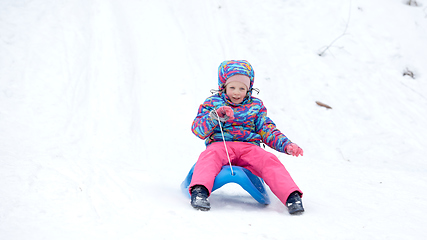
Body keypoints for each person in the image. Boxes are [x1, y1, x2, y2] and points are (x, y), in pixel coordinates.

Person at [189, 60, 304, 215]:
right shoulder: (212, 103)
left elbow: (267, 129)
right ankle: (199, 190)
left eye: (242, 88)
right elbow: (198, 129)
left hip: (249, 148)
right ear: (223, 87)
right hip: (220, 145)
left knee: (268, 160)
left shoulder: (255, 106)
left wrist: (287, 145)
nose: (237, 92)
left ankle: (291, 195)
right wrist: (214, 116)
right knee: (209, 157)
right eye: (232, 87)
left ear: (249, 89)